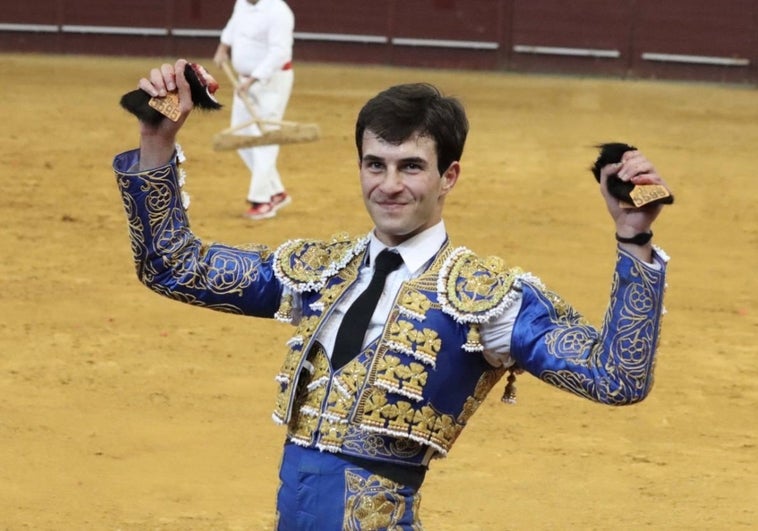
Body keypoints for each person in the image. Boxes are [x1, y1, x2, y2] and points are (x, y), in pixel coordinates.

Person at [113, 59, 671, 530]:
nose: (389, 185)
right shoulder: (319, 271)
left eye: (411, 167)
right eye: (374, 165)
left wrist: (635, 238)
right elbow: (174, 266)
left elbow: (615, 377)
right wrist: (156, 140)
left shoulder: (488, 299)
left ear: (449, 176)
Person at [212, 0, 295, 220]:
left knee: (265, 138)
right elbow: (233, 26)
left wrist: (254, 79)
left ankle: (262, 200)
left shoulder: (279, 11)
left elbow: (279, 53)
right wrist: (223, 47)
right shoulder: (242, 3)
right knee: (240, 136)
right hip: (243, 81)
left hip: (271, 82)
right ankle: (275, 192)